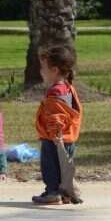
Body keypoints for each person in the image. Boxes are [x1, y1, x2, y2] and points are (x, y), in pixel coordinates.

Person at [33, 44, 83, 204]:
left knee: (51, 167)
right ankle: (65, 193)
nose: (41, 71)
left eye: (43, 68)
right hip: (66, 137)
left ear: (54, 70)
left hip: (54, 138)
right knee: (63, 167)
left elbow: (56, 115)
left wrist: (55, 133)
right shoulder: (68, 87)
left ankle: (53, 193)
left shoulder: (55, 91)